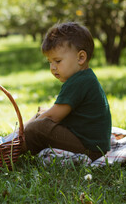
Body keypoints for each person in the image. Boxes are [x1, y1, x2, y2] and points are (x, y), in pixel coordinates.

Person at [23, 22, 112, 161]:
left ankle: (14, 148)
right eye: (50, 62)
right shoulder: (84, 77)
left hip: (90, 149)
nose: (52, 67)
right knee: (41, 115)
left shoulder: (79, 82)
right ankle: (17, 139)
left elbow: (53, 117)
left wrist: (26, 129)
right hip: (90, 144)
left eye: (57, 61)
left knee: (37, 128)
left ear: (81, 58)